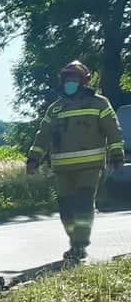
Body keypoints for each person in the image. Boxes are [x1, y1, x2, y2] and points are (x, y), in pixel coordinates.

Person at [27, 60, 125, 265]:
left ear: (83, 82)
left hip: (90, 166)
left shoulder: (99, 104)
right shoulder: (55, 109)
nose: (69, 83)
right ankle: (74, 243)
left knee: (83, 203)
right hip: (63, 169)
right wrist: (34, 158)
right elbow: (43, 135)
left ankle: (80, 244)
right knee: (66, 209)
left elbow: (113, 131)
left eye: (74, 79)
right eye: (67, 80)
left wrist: (116, 154)